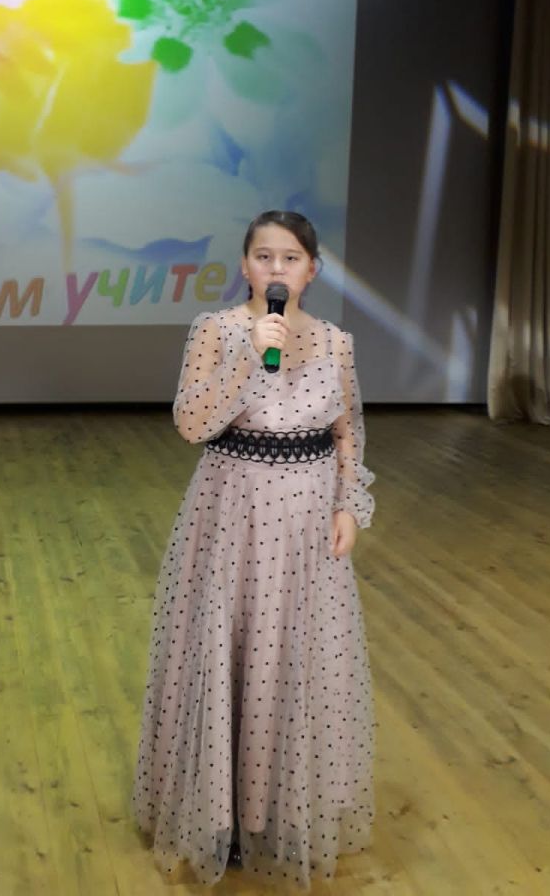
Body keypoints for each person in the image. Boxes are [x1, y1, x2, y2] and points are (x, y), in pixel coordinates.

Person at [132, 210, 375, 887]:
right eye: (264, 256)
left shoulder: (336, 342)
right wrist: (247, 355)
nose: (276, 268)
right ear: (245, 267)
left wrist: (349, 504)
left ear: (311, 271)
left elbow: (348, 431)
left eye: (290, 258)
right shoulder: (216, 331)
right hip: (233, 516)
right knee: (229, 654)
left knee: (293, 662)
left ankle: (279, 813)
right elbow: (190, 423)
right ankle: (220, 815)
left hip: (306, 526)